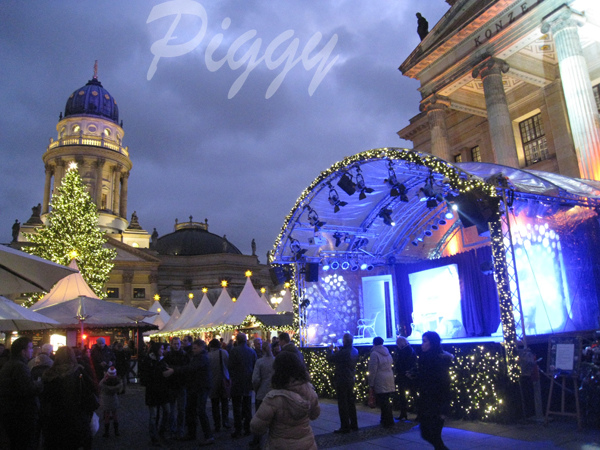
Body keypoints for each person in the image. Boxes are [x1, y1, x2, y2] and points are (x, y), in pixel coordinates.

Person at [250, 351, 320, 449]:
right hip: (307, 444)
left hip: (280, 444)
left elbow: (256, 426)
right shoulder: (309, 390)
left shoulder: (273, 398)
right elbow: (314, 414)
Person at [40, 346, 98, 450]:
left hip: (55, 418)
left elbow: (45, 396)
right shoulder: (78, 372)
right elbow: (91, 388)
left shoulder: (49, 374)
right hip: (77, 416)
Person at [0, 336, 41, 450]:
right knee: (24, 442)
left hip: (12, 412)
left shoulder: (11, 364)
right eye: (30, 348)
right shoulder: (20, 367)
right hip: (21, 414)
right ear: (23, 351)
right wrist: (39, 384)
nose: (32, 350)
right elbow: (27, 389)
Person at [415, 331, 453, 450]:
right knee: (429, 434)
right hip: (427, 403)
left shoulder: (438, 361)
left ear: (432, 343)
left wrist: (443, 409)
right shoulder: (425, 359)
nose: (422, 345)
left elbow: (443, 385)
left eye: (425, 341)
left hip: (436, 404)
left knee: (433, 436)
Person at [178, 339, 214, 446]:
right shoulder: (199, 356)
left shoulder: (202, 357)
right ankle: (192, 433)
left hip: (201, 387)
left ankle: (208, 436)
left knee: (200, 410)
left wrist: (175, 370)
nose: (193, 350)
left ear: (201, 347)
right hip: (196, 387)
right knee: (191, 409)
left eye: (195, 348)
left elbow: (191, 368)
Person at [139, 341, 174, 446]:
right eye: (161, 349)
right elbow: (145, 377)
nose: (162, 351)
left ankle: (161, 432)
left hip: (163, 391)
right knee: (153, 415)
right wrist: (160, 375)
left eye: (163, 349)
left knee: (167, 412)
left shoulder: (163, 360)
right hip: (153, 391)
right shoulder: (148, 361)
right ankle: (154, 436)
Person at [326, 333, 359, 433]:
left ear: (344, 341)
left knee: (343, 403)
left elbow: (331, 359)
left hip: (342, 379)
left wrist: (330, 350)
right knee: (350, 402)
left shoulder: (344, 352)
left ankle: (345, 426)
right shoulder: (354, 350)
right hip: (350, 378)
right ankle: (354, 424)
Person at [228, 332, 257, 438]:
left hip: (237, 382)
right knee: (247, 406)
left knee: (237, 407)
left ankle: (238, 429)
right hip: (248, 382)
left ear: (237, 340)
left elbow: (230, 366)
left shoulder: (234, 351)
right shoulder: (252, 351)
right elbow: (255, 366)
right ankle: (247, 427)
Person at [250, 341, 275, 448]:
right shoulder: (276, 361)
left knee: (259, 419)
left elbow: (255, 379)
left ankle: (257, 440)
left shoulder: (260, 362)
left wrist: (256, 389)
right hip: (274, 393)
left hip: (262, 393)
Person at [164, 336, 190, 439]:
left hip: (181, 385)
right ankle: (172, 429)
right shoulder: (168, 356)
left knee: (181, 410)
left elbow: (186, 369)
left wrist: (173, 370)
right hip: (171, 385)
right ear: (171, 344)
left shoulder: (184, 355)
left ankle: (180, 430)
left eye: (178, 344)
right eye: (175, 344)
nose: (176, 345)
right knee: (171, 410)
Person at [367, 336, 396, 428]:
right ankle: (386, 419)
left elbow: (373, 369)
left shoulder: (374, 354)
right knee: (386, 400)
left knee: (383, 402)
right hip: (389, 378)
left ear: (374, 343)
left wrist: (371, 383)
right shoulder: (387, 353)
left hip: (380, 379)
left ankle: (387, 421)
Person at [208, 338, 230, 432]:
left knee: (215, 405)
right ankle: (225, 421)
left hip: (213, 382)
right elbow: (228, 365)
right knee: (225, 403)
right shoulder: (224, 353)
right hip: (224, 380)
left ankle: (217, 424)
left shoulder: (208, 356)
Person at [394, 336, 417, 421]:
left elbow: (400, 363)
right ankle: (417, 414)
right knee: (413, 394)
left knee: (403, 395)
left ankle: (403, 413)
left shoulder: (403, 351)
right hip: (409, 375)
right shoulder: (410, 350)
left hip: (404, 375)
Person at [99, 366, 123, 437]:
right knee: (114, 414)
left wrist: (104, 377)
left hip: (106, 399)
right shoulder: (117, 382)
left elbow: (100, 385)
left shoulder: (105, 382)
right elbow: (120, 388)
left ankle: (107, 432)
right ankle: (116, 431)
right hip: (114, 398)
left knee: (107, 415)